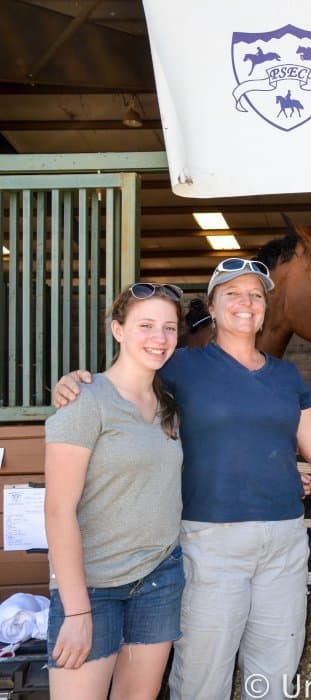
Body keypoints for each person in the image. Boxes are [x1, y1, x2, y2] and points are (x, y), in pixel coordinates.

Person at [53, 258, 311, 700]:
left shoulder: (286, 376)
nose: (246, 303)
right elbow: (123, 381)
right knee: (203, 677)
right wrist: (75, 383)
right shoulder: (179, 366)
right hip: (210, 542)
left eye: (255, 295)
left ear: (265, 308)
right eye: (232, 294)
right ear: (212, 308)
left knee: (274, 674)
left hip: (284, 541)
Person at [44, 282, 185, 699]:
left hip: (158, 578)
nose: (159, 338)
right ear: (118, 330)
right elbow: (58, 510)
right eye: (146, 325)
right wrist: (76, 610)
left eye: (169, 328)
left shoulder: (168, 404)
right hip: (92, 586)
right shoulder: (85, 400)